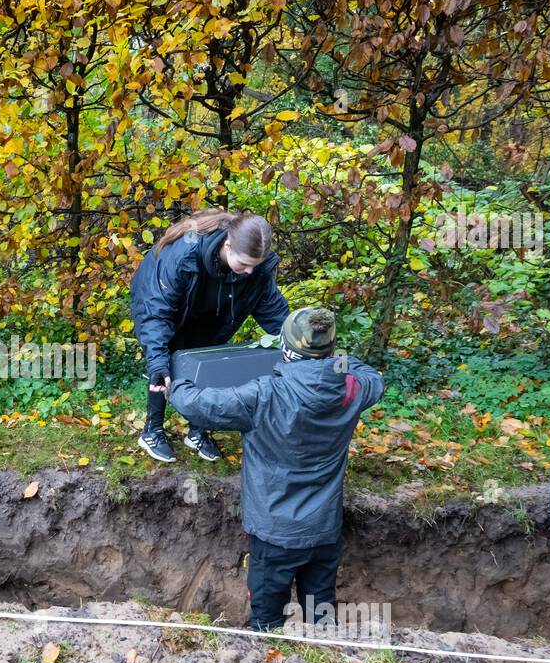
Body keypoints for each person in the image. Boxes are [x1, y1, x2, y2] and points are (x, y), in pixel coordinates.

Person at [170, 307, 384, 631]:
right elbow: (371, 376)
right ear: (329, 349)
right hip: (323, 530)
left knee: (267, 621)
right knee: (321, 617)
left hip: (274, 535)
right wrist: (331, 360)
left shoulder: (263, 395)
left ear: (285, 348)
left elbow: (197, 405)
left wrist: (175, 385)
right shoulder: (352, 389)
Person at [130, 209, 290, 463]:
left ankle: (197, 430)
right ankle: (152, 430)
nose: (249, 271)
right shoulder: (184, 255)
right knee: (164, 363)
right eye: (244, 264)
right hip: (161, 304)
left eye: (254, 265)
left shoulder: (254, 271)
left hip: (211, 310)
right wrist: (157, 363)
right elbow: (156, 313)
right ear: (227, 246)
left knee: (208, 361)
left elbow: (273, 310)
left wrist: (300, 345)